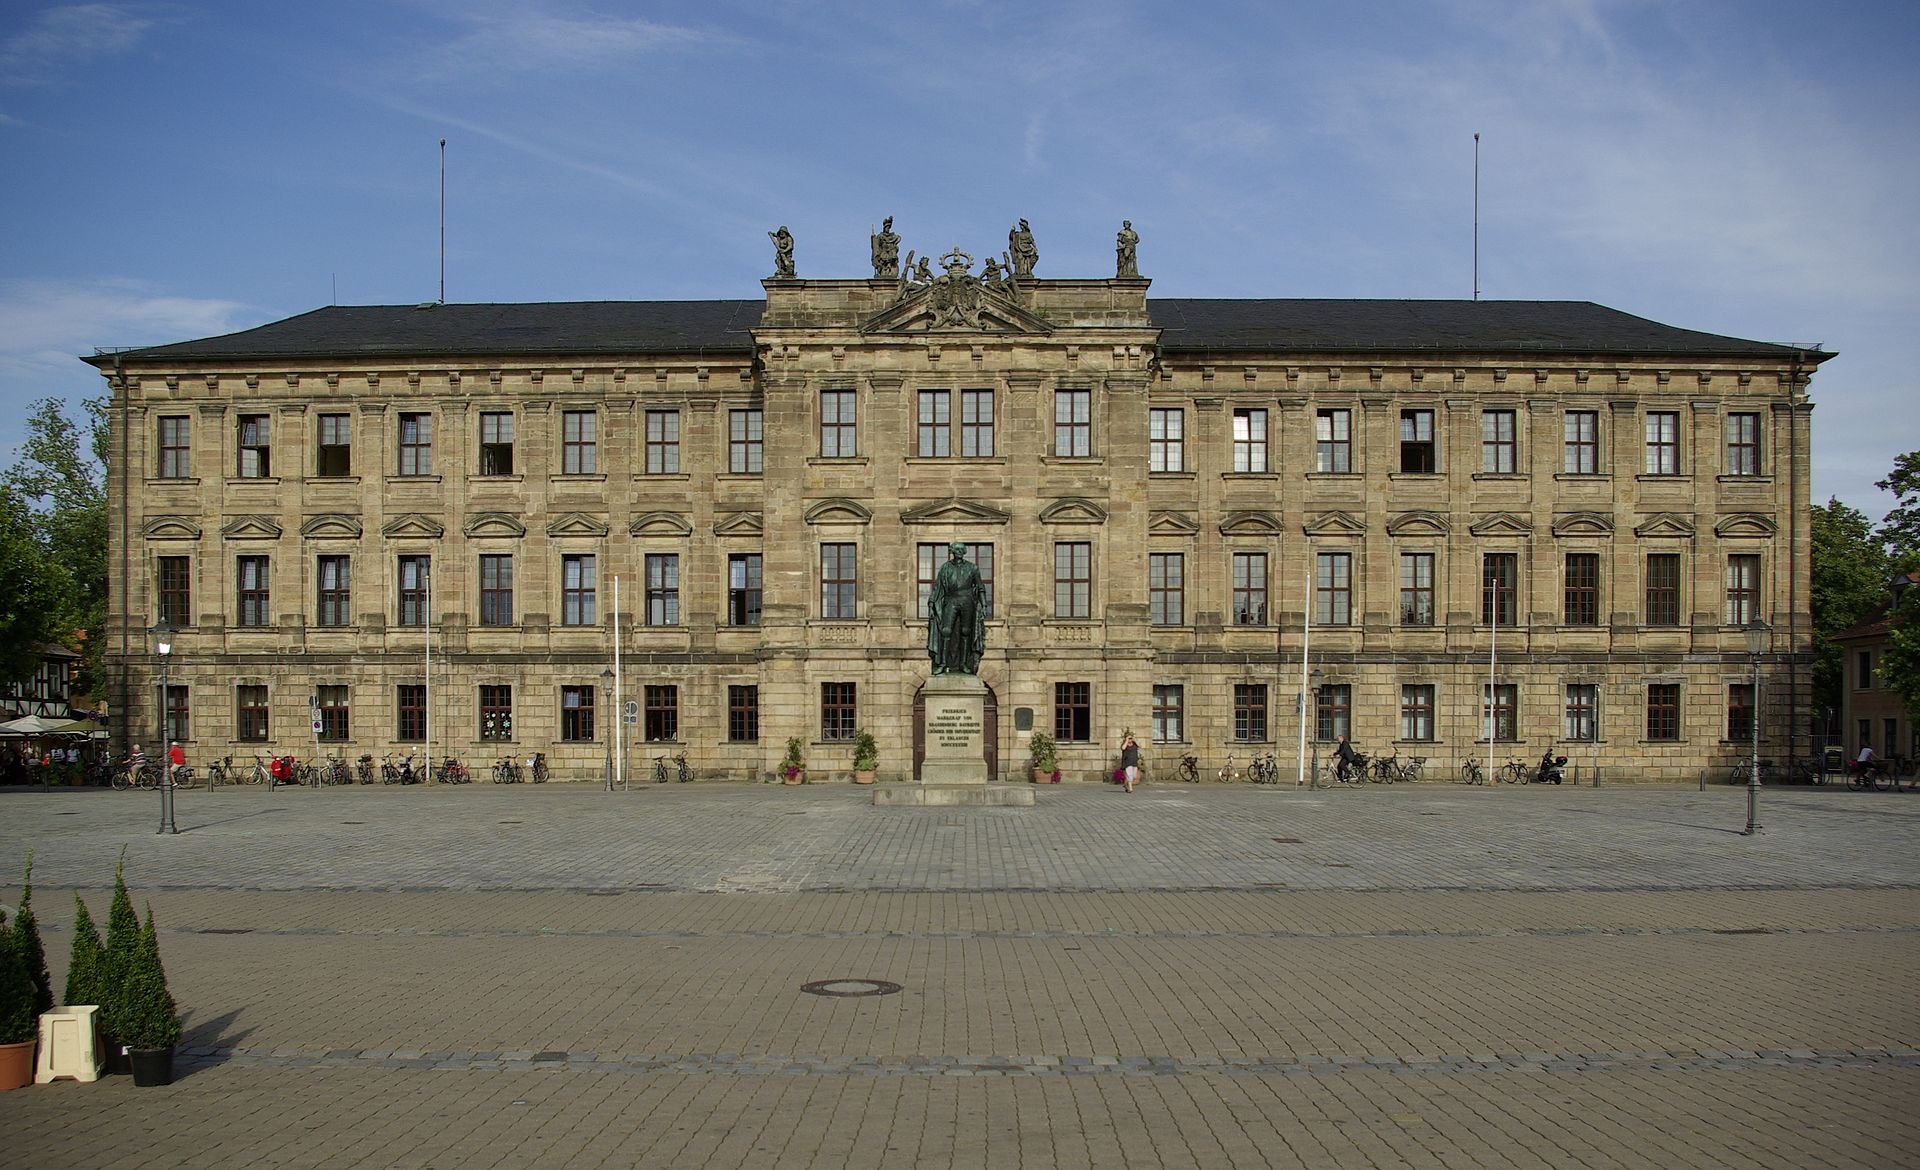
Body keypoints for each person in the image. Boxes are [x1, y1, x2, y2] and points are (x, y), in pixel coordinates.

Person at [926, 541, 986, 675]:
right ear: (952, 551)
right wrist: (931, 604)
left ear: (964, 551)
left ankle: (963, 664)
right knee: (946, 631)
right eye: (956, 549)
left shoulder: (972, 568)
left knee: (965, 632)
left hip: (967, 600)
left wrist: (984, 605)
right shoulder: (945, 568)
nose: (958, 552)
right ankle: (942, 663)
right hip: (951, 599)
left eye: (961, 549)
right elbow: (937, 588)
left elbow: (981, 587)